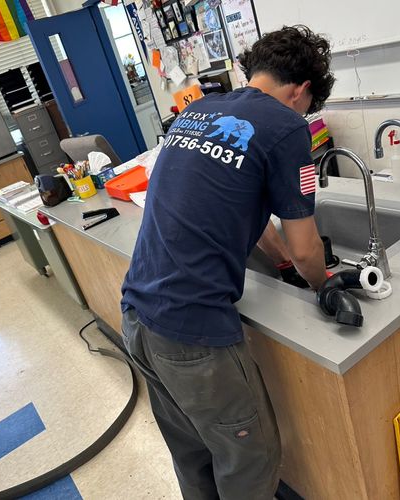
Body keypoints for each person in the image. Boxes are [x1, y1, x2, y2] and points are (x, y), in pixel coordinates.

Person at [121, 25, 335, 500]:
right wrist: (323, 283)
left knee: (194, 454)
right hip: (192, 332)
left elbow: (248, 213)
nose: (305, 114)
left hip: (137, 314)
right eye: (307, 105)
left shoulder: (197, 110)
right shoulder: (287, 127)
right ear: (301, 91)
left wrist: (281, 266)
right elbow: (306, 250)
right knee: (251, 462)